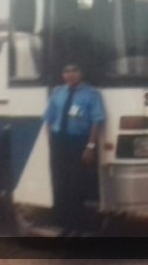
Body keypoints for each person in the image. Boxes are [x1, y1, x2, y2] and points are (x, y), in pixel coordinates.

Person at [44, 63, 105, 236]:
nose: (70, 74)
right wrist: (51, 141)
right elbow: (49, 119)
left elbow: (97, 122)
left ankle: (77, 225)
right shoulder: (57, 93)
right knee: (60, 183)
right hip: (59, 142)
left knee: (76, 185)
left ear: (81, 73)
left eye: (74, 71)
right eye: (66, 71)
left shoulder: (91, 95)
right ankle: (64, 224)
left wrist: (90, 146)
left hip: (78, 142)